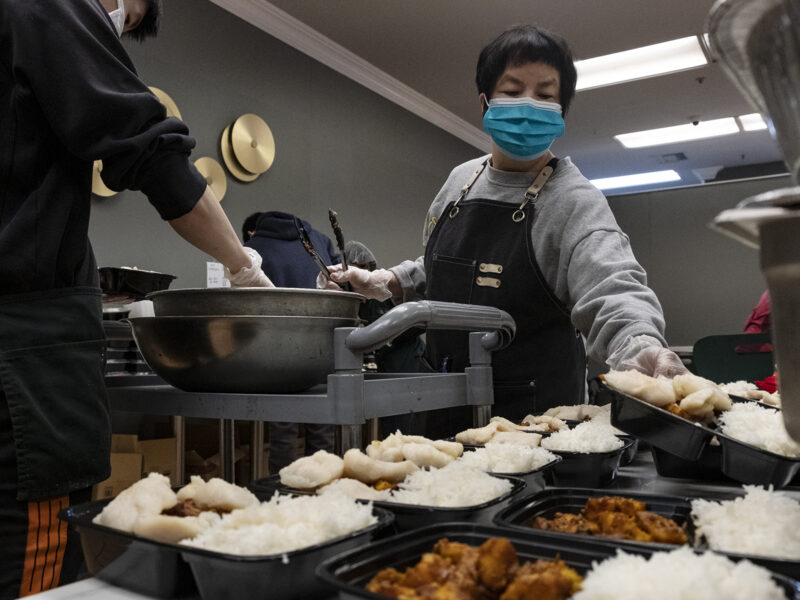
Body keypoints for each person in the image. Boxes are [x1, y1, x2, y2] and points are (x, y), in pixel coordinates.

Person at [0, 2, 271, 597]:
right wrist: (243, 266)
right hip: (22, 361)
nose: (114, 24)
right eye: (124, 13)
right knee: (30, 567)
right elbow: (151, 153)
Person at [321, 25, 686, 435]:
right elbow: (441, 268)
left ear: (562, 111)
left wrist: (641, 346)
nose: (528, 105)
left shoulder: (573, 200)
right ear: (485, 102)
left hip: (532, 423)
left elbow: (613, 285)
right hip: (439, 405)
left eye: (545, 95)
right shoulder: (460, 180)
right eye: (513, 91)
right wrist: (386, 280)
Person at [244, 211, 338, 474]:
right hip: (321, 347)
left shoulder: (251, 249)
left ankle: (282, 496)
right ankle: (323, 492)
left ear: (252, 231)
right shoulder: (319, 241)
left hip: (274, 356)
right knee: (322, 430)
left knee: (282, 432)